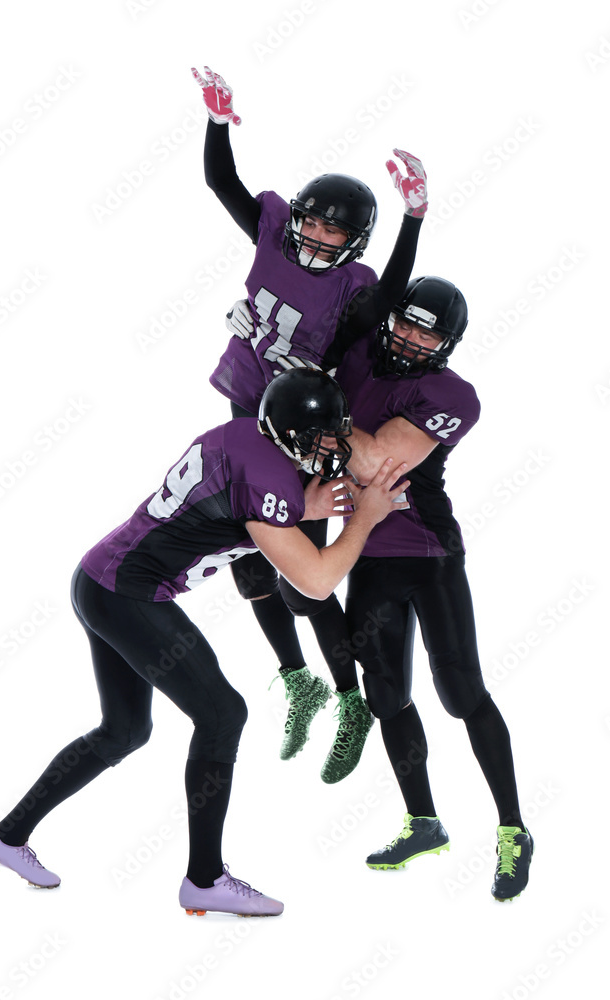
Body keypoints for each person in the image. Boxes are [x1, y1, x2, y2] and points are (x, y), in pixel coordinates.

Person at [0, 369, 410, 917]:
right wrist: (364, 521)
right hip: (128, 594)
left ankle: (7, 837)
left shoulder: (243, 439)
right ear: (292, 434)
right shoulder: (268, 482)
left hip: (101, 579)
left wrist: (306, 508)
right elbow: (317, 581)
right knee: (223, 714)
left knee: (125, 731)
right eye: (322, 438)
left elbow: (239, 503)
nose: (333, 448)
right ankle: (205, 879)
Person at [192, 65, 428, 782]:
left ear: (354, 241)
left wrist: (414, 218)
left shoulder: (353, 290)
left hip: (304, 428)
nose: (321, 236)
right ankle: (297, 679)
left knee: (305, 581)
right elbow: (221, 184)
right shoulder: (270, 234)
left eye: (336, 229)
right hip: (243, 404)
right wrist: (218, 119)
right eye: (315, 221)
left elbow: (388, 295)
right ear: (295, 217)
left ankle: (350, 699)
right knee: (247, 562)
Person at [328, 275, 533, 902]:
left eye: (429, 332)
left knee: (461, 692)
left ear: (448, 343)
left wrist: (318, 405)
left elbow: (374, 463)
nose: (414, 339)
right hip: (368, 552)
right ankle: (423, 821)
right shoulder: (359, 352)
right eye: (408, 323)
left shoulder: (452, 395)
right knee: (387, 695)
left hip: (427, 553)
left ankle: (514, 829)